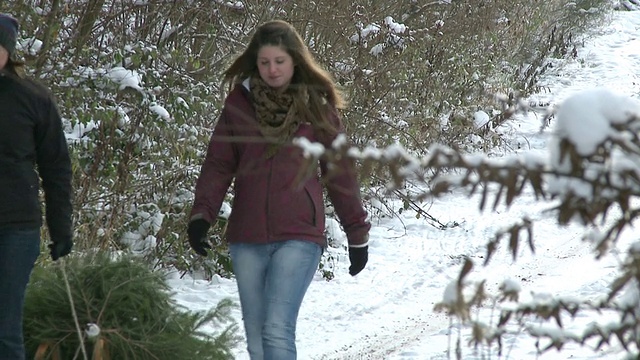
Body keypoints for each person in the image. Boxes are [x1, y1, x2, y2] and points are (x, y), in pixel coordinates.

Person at [187, 19, 371, 360]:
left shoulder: (317, 107)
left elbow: (340, 173)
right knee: (256, 340)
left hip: (298, 234)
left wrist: (356, 233)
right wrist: (202, 215)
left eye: (279, 62)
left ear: (295, 61)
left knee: (276, 329)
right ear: (255, 63)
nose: (272, 70)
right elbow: (218, 164)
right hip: (247, 235)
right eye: (264, 62)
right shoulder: (238, 105)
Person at [0, 13, 73, 360]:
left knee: (4, 326)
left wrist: (61, 228)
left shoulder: (33, 99)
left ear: (8, 52)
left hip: (15, 229)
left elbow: (56, 167)